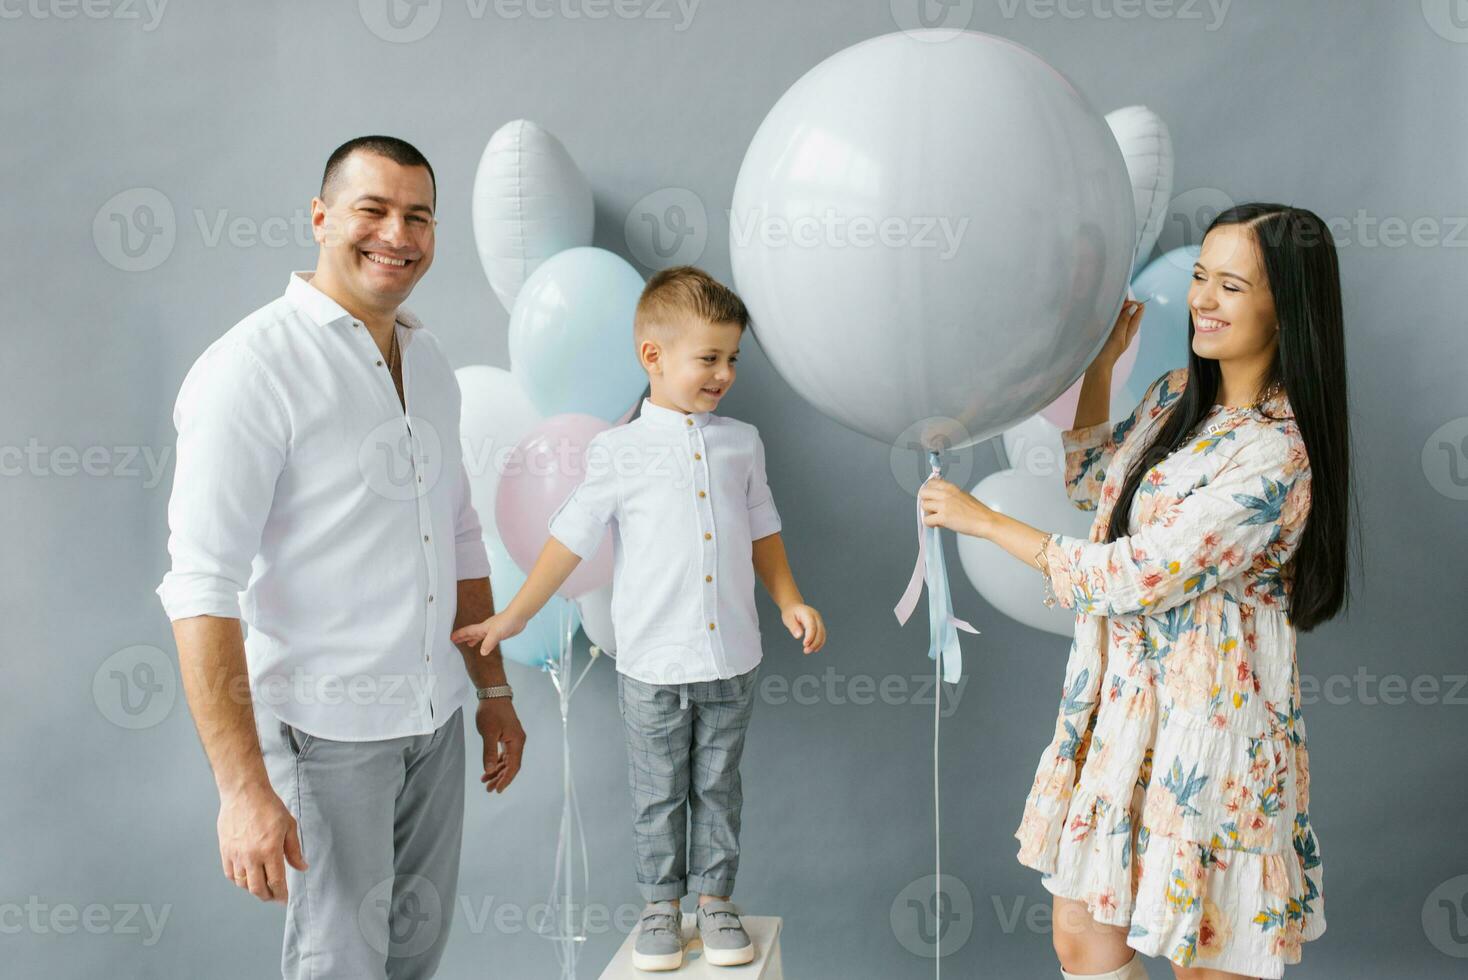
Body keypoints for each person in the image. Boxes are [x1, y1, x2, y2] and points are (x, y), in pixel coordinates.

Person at [920, 204, 1352, 980]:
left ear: (1284, 309)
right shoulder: (1174, 396)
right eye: (1199, 278)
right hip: (1124, 720)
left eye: (1230, 285)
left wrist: (984, 522)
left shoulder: (1275, 453)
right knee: (1082, 939)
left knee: (1203, 959)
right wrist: (1100, 369)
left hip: (1212, 740)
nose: (1203, 300)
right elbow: (1095, 484)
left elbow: (1134, 575)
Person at [156, 136, 527, 979]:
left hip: (432, 723)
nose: (397, 233)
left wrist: (492, 691)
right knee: (343, 967)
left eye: (419, 216)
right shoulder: (251, 368)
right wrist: (243, 790)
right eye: (373, 210)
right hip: (324, 734)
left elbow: (460, 532)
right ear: (321, 219)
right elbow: (200, 587)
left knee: (412, 959)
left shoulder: (429, 360)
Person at [452, 266, 827, 971]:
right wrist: (510, 617)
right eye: (708, 358)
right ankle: (661, 907)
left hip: (732, 660)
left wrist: (789, 600)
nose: (723, 374)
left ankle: (715, 902)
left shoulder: (741, 443)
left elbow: (763, 530)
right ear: (653, 357)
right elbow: (568, 541)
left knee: (718, 785)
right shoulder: (617, 453)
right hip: (652, 665)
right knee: (659, 793)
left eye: (732, 360)